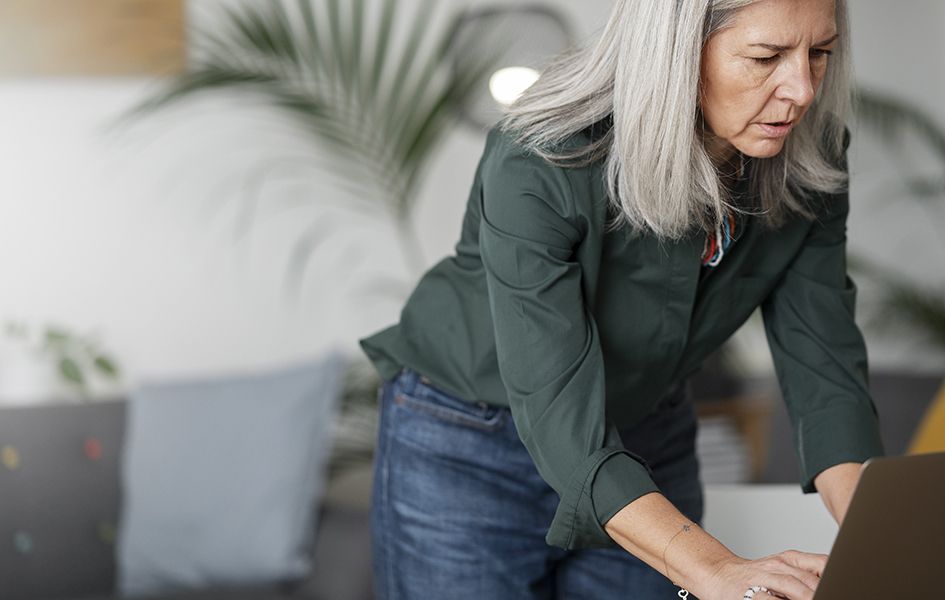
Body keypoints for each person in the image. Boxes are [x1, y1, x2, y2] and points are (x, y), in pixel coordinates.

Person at [359, 0, 884, 598]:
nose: (802, 91)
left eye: (820, 53)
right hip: (467, 443)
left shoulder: (810, 156)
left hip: (644, 436)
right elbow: (562, 414)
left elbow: (826, 370)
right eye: (766, 57)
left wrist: (890, 544)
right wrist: (716, 569)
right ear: (677, 49)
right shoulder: (543, 152)